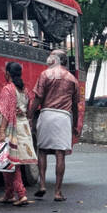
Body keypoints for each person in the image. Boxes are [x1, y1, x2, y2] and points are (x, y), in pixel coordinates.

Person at [29, 49, 84, 202]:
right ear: (65, 61)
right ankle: (58, 192)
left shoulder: (45, 75)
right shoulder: (72, 79)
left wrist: (30, 115)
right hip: (63, 117)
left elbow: (38, 98)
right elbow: (74, 105)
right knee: (60, 154)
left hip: (46, 114)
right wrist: (74, 125)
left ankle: (42, 185)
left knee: (42, 151)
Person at [0, 62, 38, 206]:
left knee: (11, 163)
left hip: (11, 129)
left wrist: (1, 131)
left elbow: (6, 113)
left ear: (8, 73)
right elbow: (27, 109)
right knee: (8, 162)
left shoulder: (8, 89)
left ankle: (21, 194)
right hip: (22, 127)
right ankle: (9, 194)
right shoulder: (24, 90)